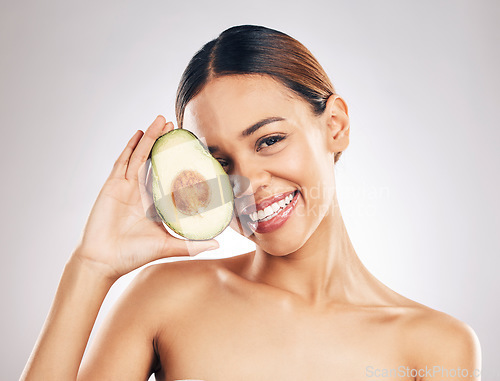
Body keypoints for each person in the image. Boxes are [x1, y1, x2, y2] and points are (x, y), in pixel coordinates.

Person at [21, 24, 481, 381]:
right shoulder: (163, 299)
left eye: (269, 140)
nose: (246, 181)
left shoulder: (437, 346)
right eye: (219, 163)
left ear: (335, 124)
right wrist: (92, 266)